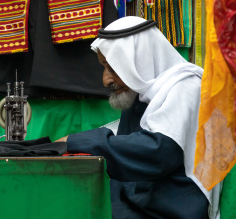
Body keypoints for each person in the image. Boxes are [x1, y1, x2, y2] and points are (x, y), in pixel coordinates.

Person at [57, 16, 214, 219]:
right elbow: (126, 152)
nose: (105, 80)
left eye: (113, 68)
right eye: (104, 68)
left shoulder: (185, 86)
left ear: (140, 62)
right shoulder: (138, 94)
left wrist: (78, 142)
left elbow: (157, 152)